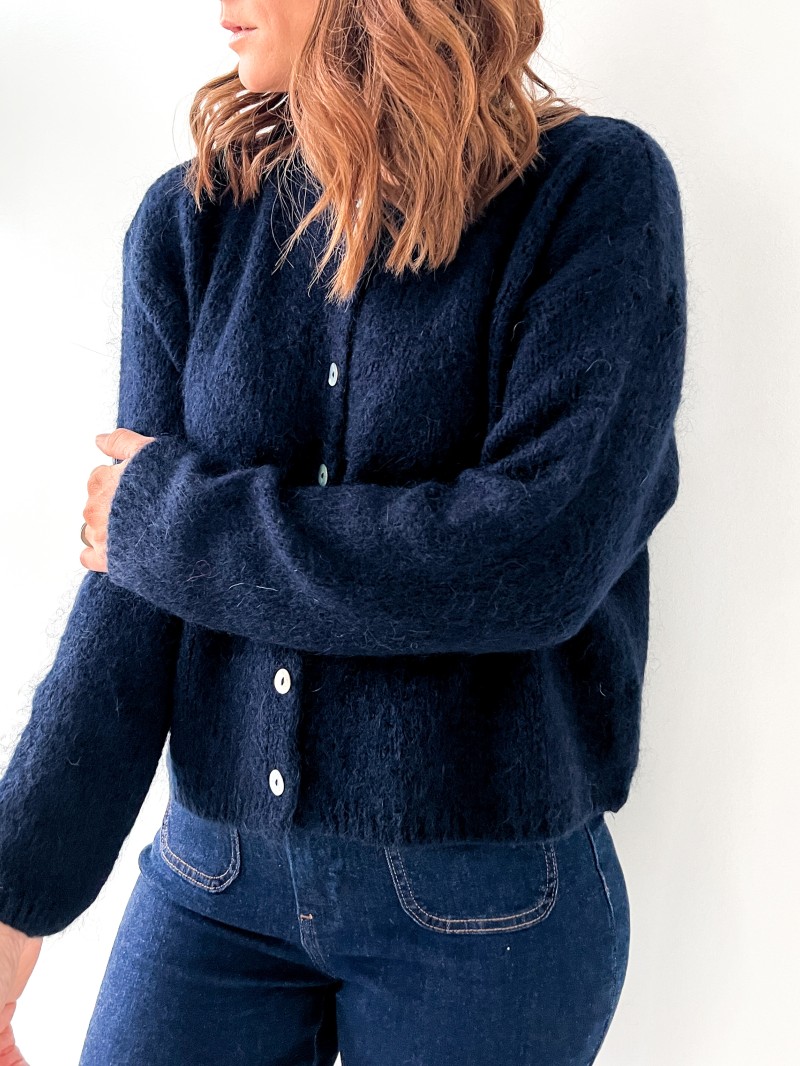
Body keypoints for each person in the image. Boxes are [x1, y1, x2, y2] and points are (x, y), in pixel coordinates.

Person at [0, 0, 687, 1062]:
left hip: (483, 909)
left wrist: (173, 525)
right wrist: (14, 895)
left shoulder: (591, 193)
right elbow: (132, 595)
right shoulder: (191, 221)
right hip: (212, 877)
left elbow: (532, 559)